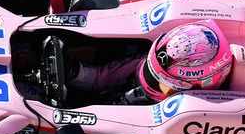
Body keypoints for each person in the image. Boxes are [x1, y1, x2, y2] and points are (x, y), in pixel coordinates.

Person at [65, 20, 232, 105]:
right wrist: (72, 70)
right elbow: (100, 78)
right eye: (149, 69)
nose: (146, 79)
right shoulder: (158, 64)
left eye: (163, 84)